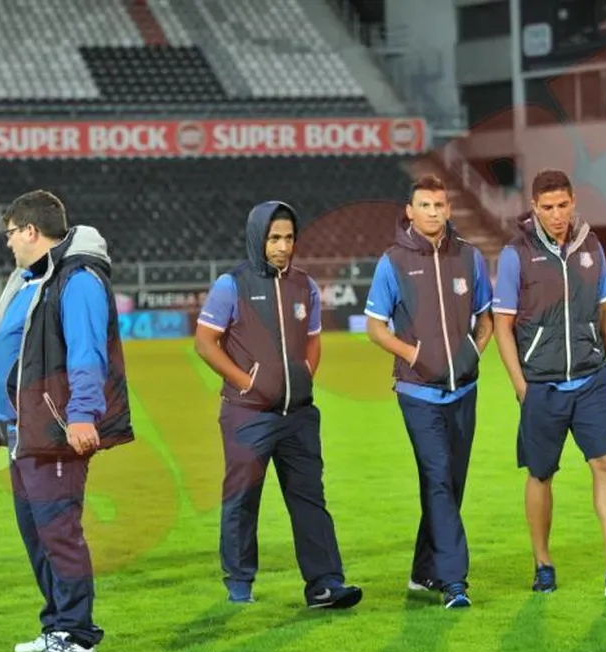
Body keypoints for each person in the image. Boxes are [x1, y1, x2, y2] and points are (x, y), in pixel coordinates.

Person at [0, 190, 134, 652]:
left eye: (11, 233)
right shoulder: (34, 280)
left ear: (30, 230)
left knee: (59, 534)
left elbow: (87, 352)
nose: (8, 243)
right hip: (25, 430)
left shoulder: (78, 279)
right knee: (38, 536)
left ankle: (78, 638)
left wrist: (82, 414)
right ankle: (56, 627)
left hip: (57, 428)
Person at [491, 169, 606, 598]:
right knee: (541, 474)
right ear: (534, 207)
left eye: (562, 205)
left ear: (573, 202)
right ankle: (543, 563)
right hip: (541, 386)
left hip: (592, 379)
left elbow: (605, 310)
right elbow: (502, 325)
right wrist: (521, 385)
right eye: (547, 207)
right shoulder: (515, 254)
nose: (556, 214)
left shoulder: (591, 246)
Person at [194, 201, 362, 610]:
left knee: (310, 499)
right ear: (258, 238)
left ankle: (325, 584)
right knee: (242, 499)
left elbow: (314, 340)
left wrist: (304, 374)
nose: (283, 247)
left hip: (299, 416)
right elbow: (205, 343)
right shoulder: (231, 285)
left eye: (288, 238)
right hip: (247, 415)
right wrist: (246, 383)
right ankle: (240, 583)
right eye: (274, 238)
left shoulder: (305, 285)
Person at [363, 174, 493, 610]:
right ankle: (454, 581)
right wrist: (414, 355)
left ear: (448, 209)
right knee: (438, 478)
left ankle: (424, 572)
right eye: (425, 205)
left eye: (439, 205)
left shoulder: (470, 257)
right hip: (417, 393)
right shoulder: (393, 262)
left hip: (464, 390)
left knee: (449, 484)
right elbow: (375, 327)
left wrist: (473, 352)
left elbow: (487, 316)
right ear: (410, 211)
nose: (433, 212)